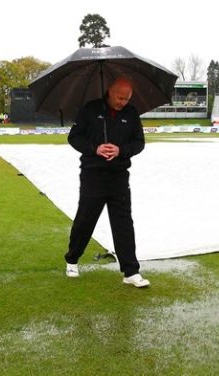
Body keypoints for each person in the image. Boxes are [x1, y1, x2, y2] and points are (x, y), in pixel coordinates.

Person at [64, 77, 150, 288]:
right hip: (93, 173)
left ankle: (130, 271)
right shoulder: (91, 109)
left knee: (123, 223)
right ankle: (72, 259)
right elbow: (74, 137)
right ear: (110, 92)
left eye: (127, 98)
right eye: (120, 97)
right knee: (86, 218)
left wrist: (121, 150)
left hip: (119, 174)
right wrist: (96, 149)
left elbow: (139, 143)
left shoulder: (131, 113)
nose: (123, 102)